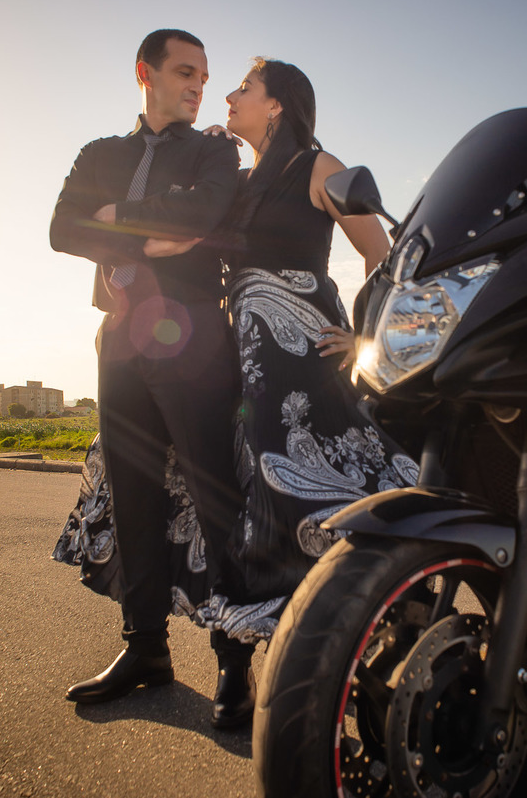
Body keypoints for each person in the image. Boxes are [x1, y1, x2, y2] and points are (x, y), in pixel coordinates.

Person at [157, 57, 420, 640]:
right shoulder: (240, 181)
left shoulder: (317, 165)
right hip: (239, 357)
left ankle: (342, 642)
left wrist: (366, 339)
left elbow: (387, 259)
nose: (228, 94)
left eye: (244, 87)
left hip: (306, 364)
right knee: (235, 501)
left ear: (277, 104)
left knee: (301, 501)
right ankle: (234, 661)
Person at [48, 28, 257, 728]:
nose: (200, 86)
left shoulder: (214, 150)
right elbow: (62, 228)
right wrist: (148, 230)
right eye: (185, 72)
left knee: (213, 494)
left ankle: (236, 661)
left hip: (194, 333)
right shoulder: (100, 154)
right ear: (146, 73)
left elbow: (201, 215)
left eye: (205, 75)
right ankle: (146, 650)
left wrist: (115, 220)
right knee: (133, 495)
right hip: (120, 338)